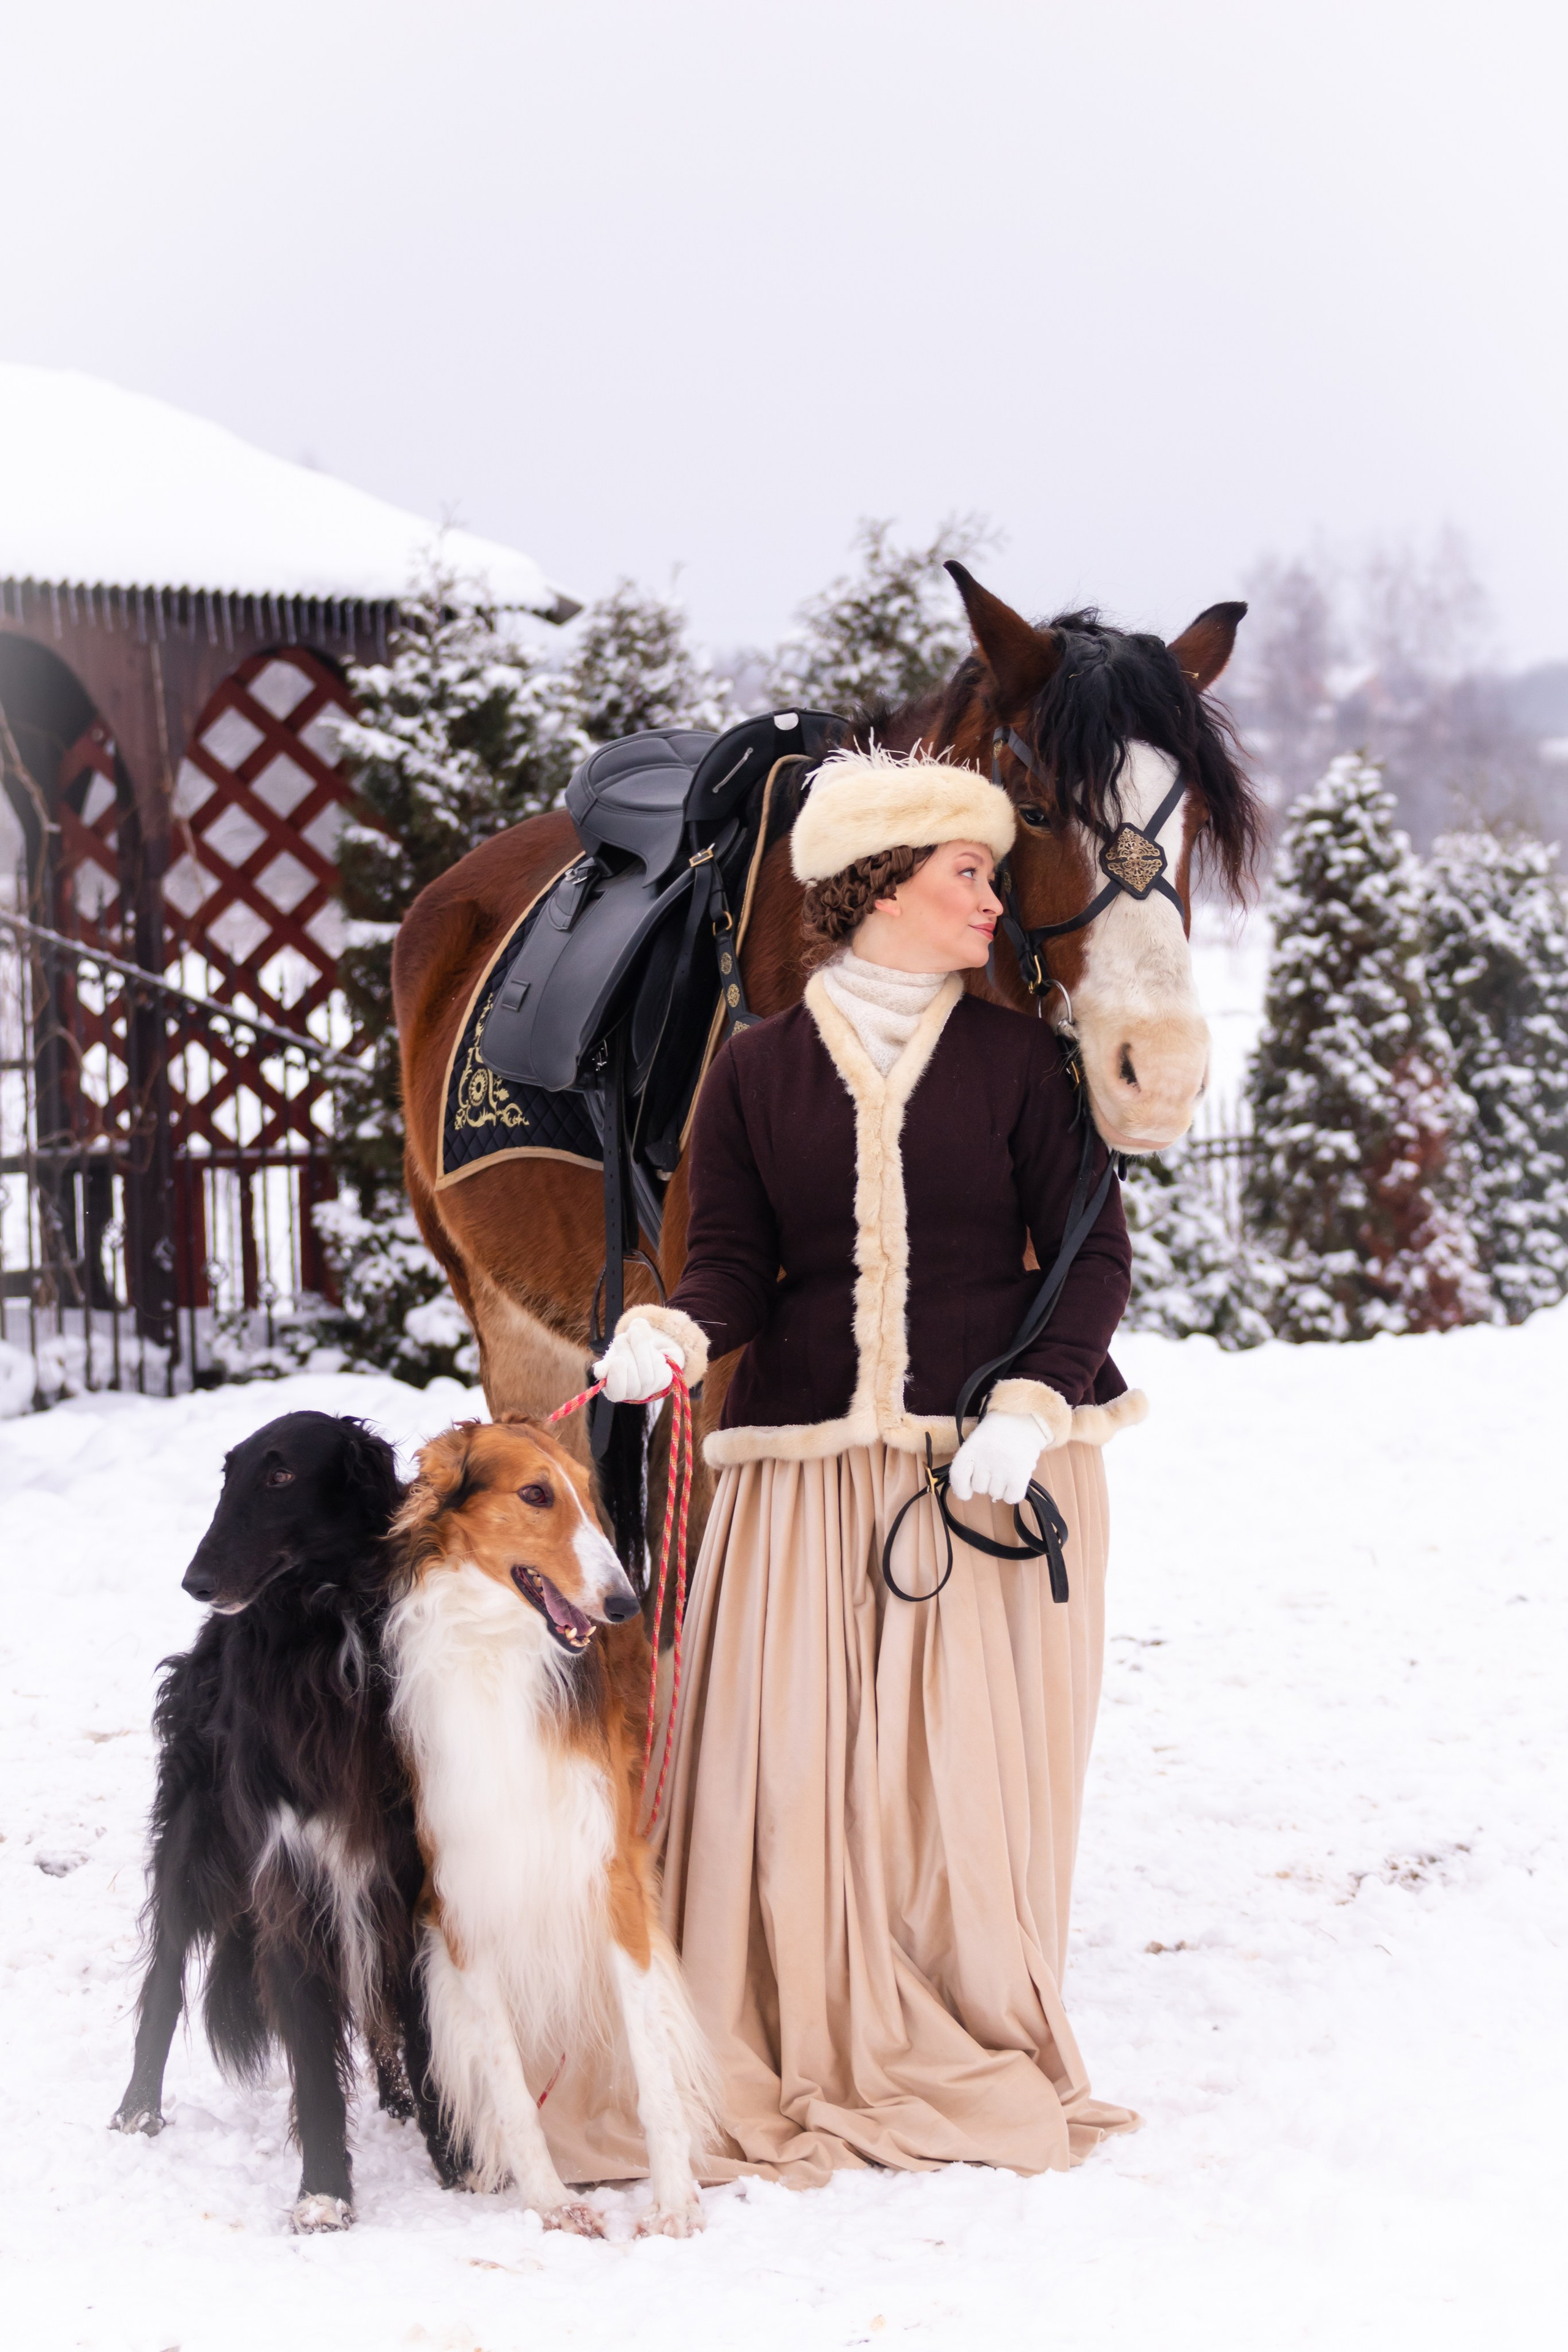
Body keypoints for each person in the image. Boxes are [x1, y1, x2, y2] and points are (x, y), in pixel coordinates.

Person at [594, 747, 1144, 2183]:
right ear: (877, 885)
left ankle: (959, 2012)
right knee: (800, 1767)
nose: (992, 897)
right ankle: (797, 2006)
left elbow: (1091, 1251)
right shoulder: (757, 1069)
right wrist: (670, 1332)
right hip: (806, 1475)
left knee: (960, 1779)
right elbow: (729, 1266)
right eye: (964, 870)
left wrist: (1032, 1405)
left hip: (990, 1471)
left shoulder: (1028, 1062)